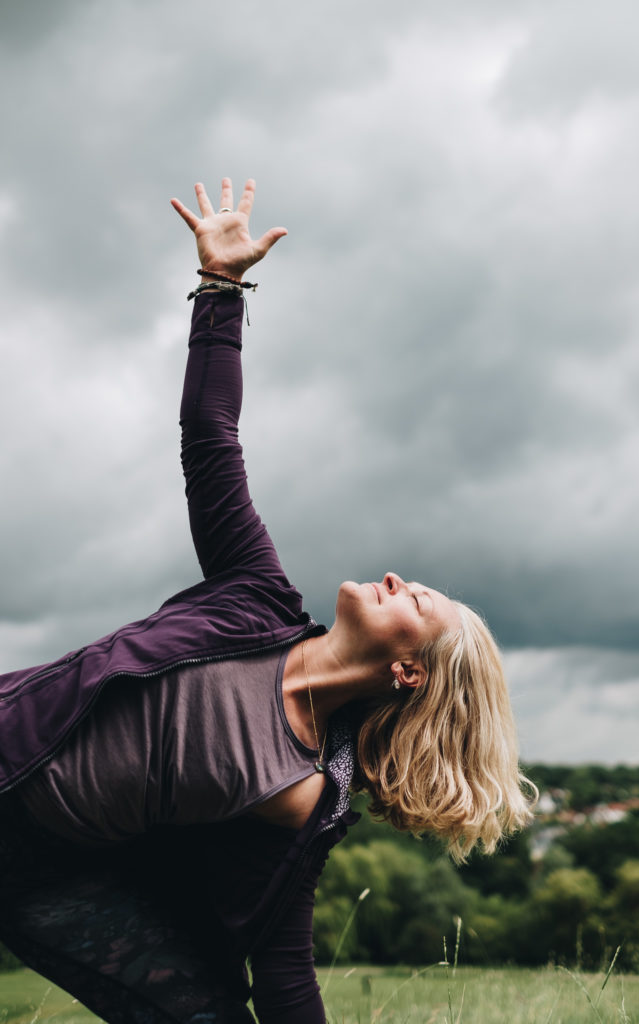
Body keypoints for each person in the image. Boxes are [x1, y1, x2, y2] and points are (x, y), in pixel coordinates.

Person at [0, 178, 535, 1023]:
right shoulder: (254, 598)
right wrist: (221, 289)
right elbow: (211, 442)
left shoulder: (303, 794)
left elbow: (283, 969)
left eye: (417, 602)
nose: (396, 577)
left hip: (49, 873)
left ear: (407, 671)